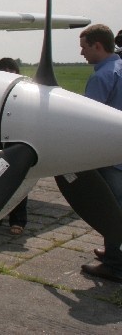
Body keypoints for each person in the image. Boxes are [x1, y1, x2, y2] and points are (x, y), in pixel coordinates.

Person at [77, 24, 122, 283]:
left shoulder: (101, 78)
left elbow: (88, 123)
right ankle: (112, 250)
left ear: (97, 46)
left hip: (109, 157)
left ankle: (115, 264)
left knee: (111, 207)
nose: (82, 53)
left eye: (84, 47)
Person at [0, 57, 29, 235]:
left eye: (11, 71)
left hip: (16, 141)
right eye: (3, 71)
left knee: (18, 180)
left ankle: (18, 219)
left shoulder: (24, 93)